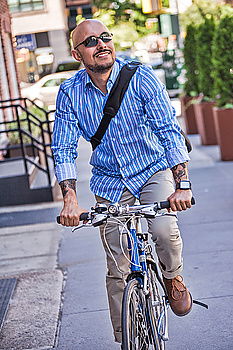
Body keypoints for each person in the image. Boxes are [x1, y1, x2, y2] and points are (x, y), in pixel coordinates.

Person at [51, 19, 193, 345]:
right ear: (77, 53)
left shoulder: (139, 76)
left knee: (163, 230)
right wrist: (70, 199)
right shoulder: (70, 93)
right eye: (91, 42)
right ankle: (128, 336)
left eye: (105, 37)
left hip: (152, 170)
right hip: (110, 181)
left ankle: (172, 278)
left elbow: (167, 130)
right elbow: (63, 147)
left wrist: (182, 184)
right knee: (117, 267)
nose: (101, 44)